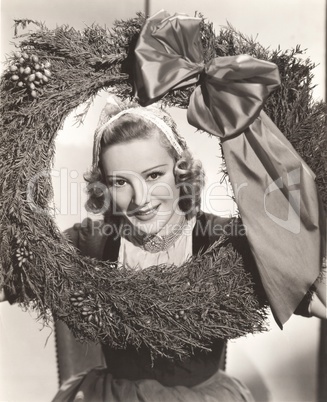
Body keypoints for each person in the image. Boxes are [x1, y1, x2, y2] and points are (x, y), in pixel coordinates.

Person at [51, 96, 326, 402]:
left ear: (179, 172)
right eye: (120, 182)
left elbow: (301, 280)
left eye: (154, 175)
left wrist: (308, 279)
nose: (140, 198)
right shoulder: (93, 240)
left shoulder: (224, 238)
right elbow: (22, 267)